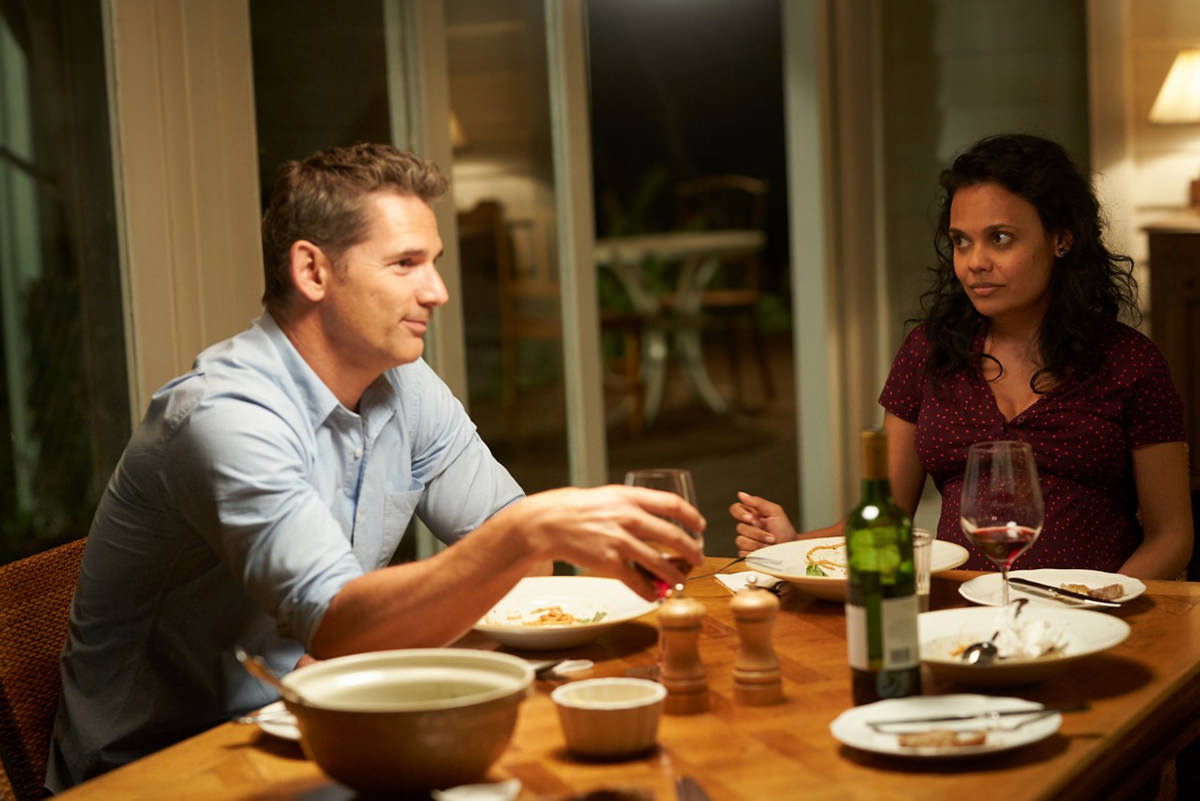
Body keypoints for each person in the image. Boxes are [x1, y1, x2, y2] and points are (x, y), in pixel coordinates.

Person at [46, 143, 703, 791]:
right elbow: (342, 621)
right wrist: (529, 528)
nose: (438, 291)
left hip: (316, 730)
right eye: (405, 263)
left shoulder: (403, 384)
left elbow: (520, 572)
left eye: (434, 262)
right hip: (161, 770)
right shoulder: (226, 414)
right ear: (313, 271)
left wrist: (515, 541)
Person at [731, 133, 1192, 579]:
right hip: (962, 623)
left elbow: (1171, 537)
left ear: (1061, 238)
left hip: (1095, 628)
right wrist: (791, 545)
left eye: (1001, 238)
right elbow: (883, 522)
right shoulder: (930, 353)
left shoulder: (1130, 362)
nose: (974, 262)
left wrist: (1107, 607)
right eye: (961, 241)